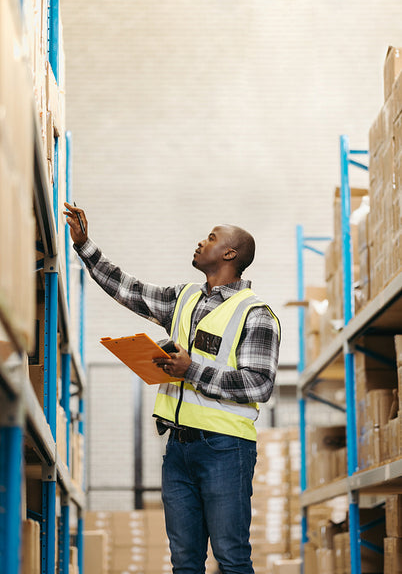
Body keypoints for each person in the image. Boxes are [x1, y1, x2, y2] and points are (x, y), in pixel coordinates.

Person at [64, 201, 281, 574]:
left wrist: (190, 369)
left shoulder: (256, 313)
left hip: (225, 450)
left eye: (211, 238)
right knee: (184, 561)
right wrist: (85, 245)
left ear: (229, 253)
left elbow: (259, 384)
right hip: (178, 449)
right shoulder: (184, 298)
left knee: (231, 557)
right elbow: (127, 288)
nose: (201, 242)